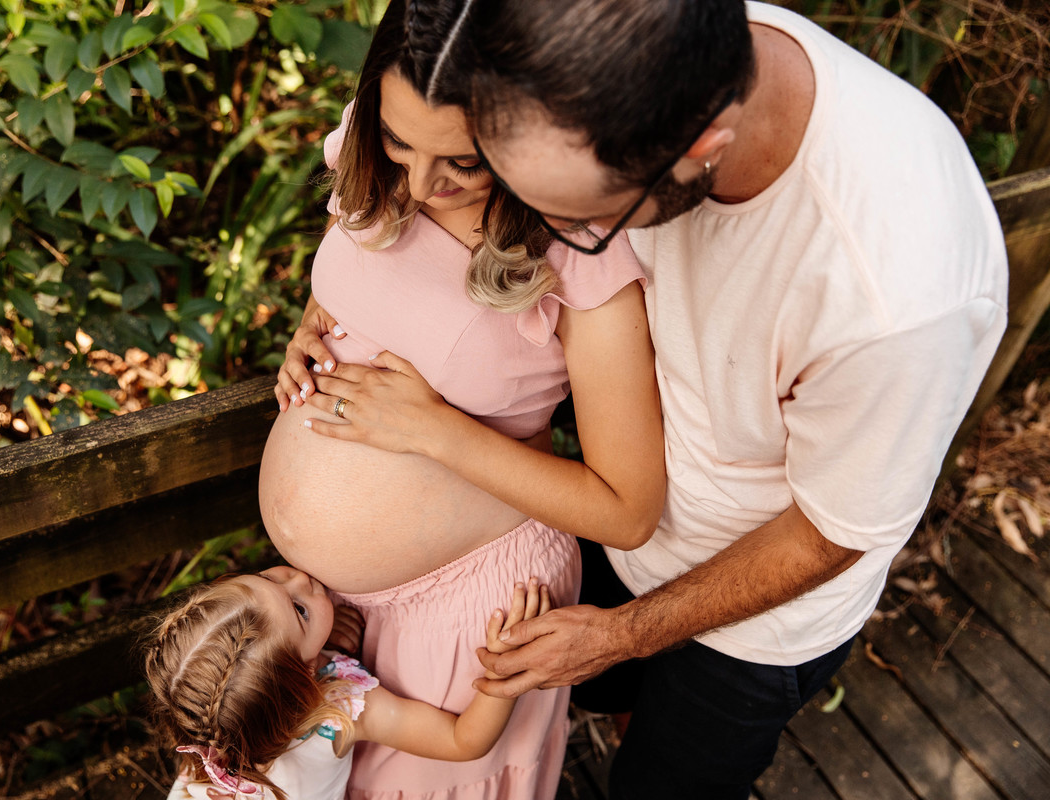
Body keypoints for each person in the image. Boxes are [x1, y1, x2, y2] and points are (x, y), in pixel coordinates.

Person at [364, 1, 1005, 798]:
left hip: (753, 618)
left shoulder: (892, 301)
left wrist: (624, 636)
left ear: (702, 146)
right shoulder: (628, 33)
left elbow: (831, 534)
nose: (554, 240)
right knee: (591, 699)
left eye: (578, 222)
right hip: (622, 513)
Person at [255, 1, 665, 797]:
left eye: (462, 165)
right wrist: (312, 327)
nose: (417, 183)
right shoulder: (388, 136)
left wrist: (436, 432)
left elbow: (628, 510)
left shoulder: (582, 258)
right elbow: (357, 264)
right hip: (321, 606)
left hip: (465, 608)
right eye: (397, 142)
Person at [145, 566, 551, 799]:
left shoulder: (212, 715)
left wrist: (317, 633)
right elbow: (464, 740)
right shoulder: (340, 709)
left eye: (267, 577)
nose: (300, 578)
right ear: (300, 675)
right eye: (301, 610)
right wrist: (503, 667)